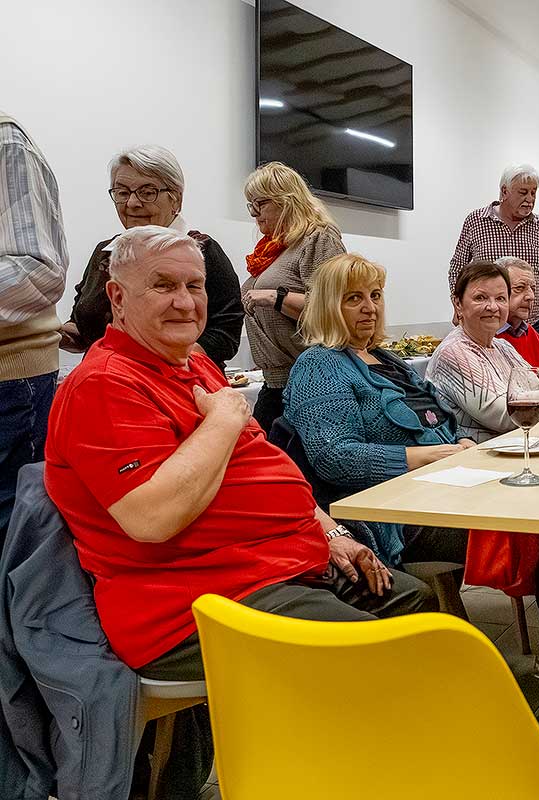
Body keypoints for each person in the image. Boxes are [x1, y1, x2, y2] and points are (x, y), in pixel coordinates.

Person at [43, 225, 435, 677]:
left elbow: (267, 467)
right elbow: (152, 518)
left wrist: (331, 535)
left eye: (195, 286)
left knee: (415, 604)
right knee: (381, 657)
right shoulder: (103, 384)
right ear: (117, 297)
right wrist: (223, 420)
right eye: (163, 286)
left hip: (280, 565)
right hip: (197, 600)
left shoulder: (196, 363)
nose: (185, 302)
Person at [284, 253, 471, 567]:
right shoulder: (319, 365)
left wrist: (461, 441)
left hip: (441, 485)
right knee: (519, 527)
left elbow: (433, 417)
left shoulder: (385, 357)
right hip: (389, 512)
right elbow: (334, 457)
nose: (370, 308)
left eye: (375, 295)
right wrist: (424, 456)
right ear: (328, 306)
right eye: (354, 298)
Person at [60, 146, 243, 369]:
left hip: (177, 382)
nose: (132, 203)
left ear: (176, 199)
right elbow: (82, 329)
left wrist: (152, 364)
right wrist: (43, 330)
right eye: (122, 193)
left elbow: (226, 333)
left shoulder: (201, 250)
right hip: (105, 377)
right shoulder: (105, 253)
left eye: (147, 193)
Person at [0, 112, 67, 544]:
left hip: (10, 379)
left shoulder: (6, 141)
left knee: (13, 538)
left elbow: (37, 269)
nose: (130, 202)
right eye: (121, 191)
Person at [240, 161, 346, 432]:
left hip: (312, 383)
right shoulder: (273, 250)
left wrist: (275, 297)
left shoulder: (318, 238)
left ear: (286, 201)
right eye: (251, 205)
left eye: (260, 204)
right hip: (277, 382)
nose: (254, 214)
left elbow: (337, 309)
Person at [426, 260, 539, 443]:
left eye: (500, 298)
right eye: (480, 298)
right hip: (478, 455)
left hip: (516, 447)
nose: (493, 307)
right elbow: (506, 413)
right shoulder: (453, 351)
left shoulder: (502, 346)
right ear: (458, 304)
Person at [448, 164, 539, 335]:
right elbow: (457, 268)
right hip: (488, 319)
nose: (530, 199)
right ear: (504, 191)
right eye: (523, 192)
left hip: (531, 322)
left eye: (533, 193)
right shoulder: (476, 221)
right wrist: (459, 306)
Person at [495, 256, 539, 381]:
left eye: (533, 288)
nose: (531, 296)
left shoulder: (531, 333)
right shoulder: (485, 337)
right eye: (519, 288)